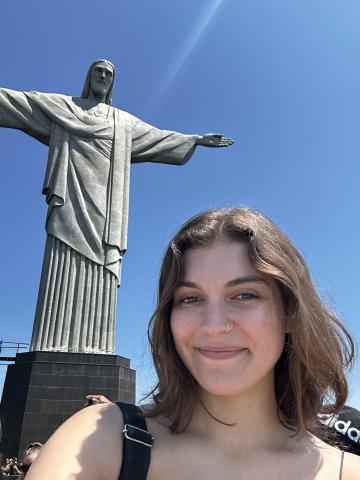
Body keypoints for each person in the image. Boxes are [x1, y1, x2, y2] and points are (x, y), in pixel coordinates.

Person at [26, 207, 360, 479]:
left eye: (245, 294)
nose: (214, 326)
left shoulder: (346, 471)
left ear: (289, 312)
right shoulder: (103, 439)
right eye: (190, 298)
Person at [0, 60, 233, 354]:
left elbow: (158, 136)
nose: (102, 76)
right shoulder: (64, 108)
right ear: (89, 77)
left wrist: (194, 140)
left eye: (108, 74)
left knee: (102, 265)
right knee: (63, 260)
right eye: (98, 71)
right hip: (71, 198)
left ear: (113, 83)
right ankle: (51, 342)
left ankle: (95, 345)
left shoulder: (122, 122)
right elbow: (20, 102)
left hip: (107, 209)